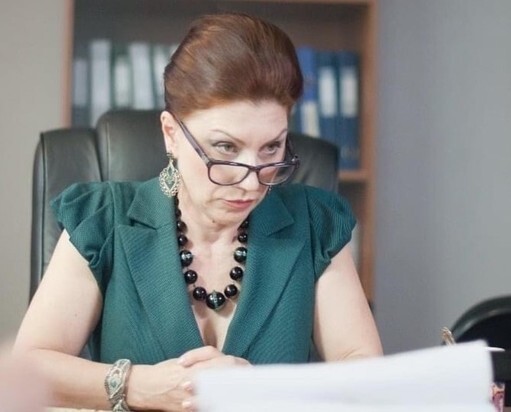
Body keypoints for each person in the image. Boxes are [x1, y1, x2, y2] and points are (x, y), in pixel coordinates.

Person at [14, 12, 382, 412]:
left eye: (271, 148)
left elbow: (365, 376)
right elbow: (28, 369)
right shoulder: (102, 220)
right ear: (171, 134)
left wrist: (264, 390)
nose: (251, 183)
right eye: (225, 148)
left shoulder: (316, 224)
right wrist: (140, 386)